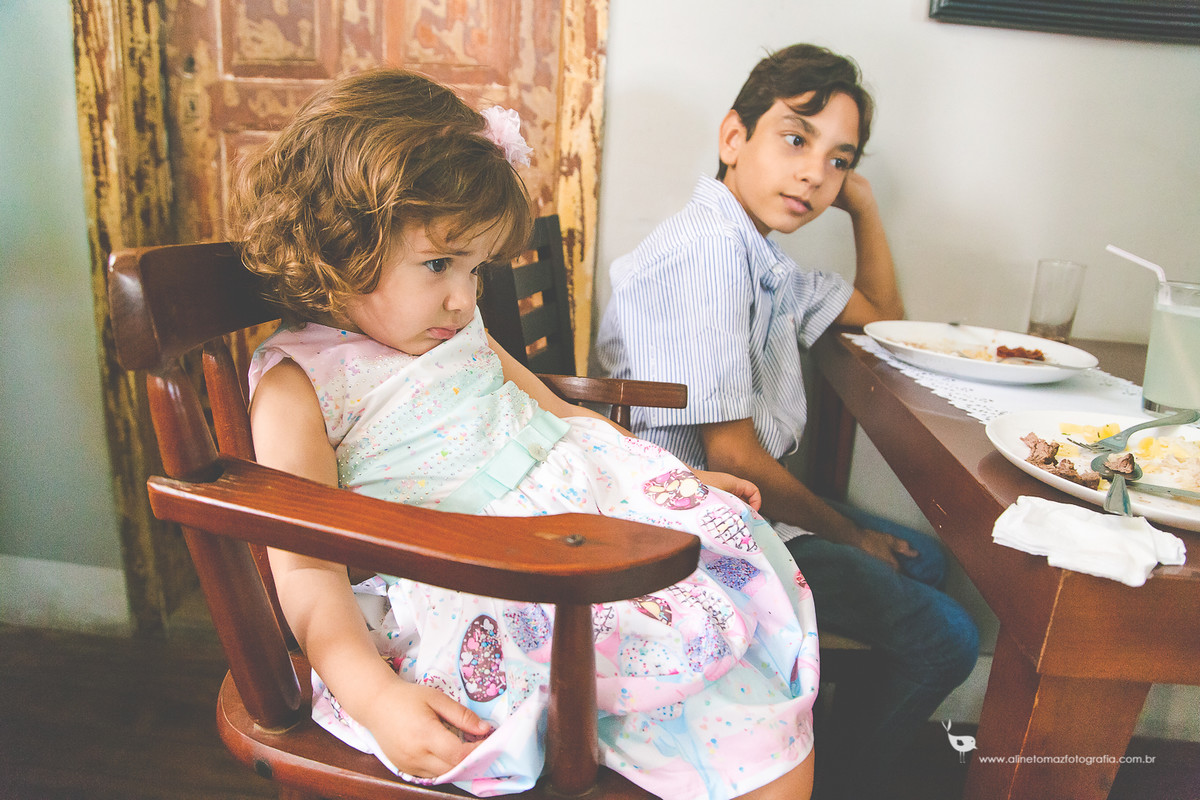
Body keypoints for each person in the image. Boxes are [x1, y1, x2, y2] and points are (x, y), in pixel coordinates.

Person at [232, 67, 821, 800]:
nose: (463, 296)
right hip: (478, 568)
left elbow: (549, 408)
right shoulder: (300, 385)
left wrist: (659, 474)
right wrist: (375, 699)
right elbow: (307, 570)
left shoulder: (450, 322)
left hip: (572, 506)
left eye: (475, 268)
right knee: (723, 710)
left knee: (736, 632)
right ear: (340, 241)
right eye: (440, 265)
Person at [596, 44, 979, 798]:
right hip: (694, 531)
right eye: (796, 139)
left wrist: (864, 205)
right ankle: (836, 778)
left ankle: (828, 747)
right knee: (948, 637)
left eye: (839, 161)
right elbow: (733, 455)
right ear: (733, 139)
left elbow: (884, 322)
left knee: (927, 562)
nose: (815, 173)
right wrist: (853, 537)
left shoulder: (757, 255)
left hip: (738, 506)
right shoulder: (707, 254)